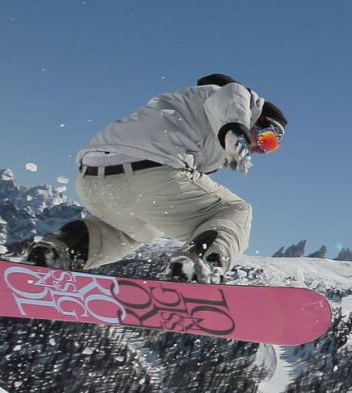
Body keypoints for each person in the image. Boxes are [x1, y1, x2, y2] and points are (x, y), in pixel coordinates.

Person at [22, 74, 286, 284]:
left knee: (137, 229)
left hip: (92, 179)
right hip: (149, 170)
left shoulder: (191, 110)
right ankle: (199, 267)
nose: (259, 149)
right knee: (237, 211)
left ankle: (57, 252)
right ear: (256, 117)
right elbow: (233, 96)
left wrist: (223, 149)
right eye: (267, 139)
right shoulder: (231, 96)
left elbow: (194, 171)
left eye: (269, 148)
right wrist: (235, 132)